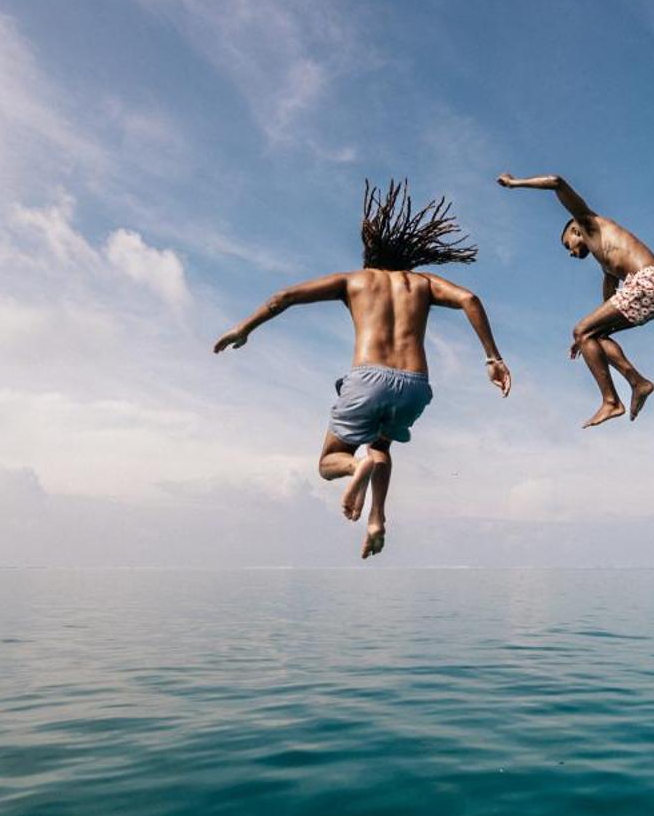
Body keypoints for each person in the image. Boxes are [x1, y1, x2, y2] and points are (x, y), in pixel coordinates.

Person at [214, 180, 511, 558]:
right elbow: (470, 298)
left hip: (369, 378)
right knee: (382, 446)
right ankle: (377, 520)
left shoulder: (355, 280)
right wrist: (492, 357)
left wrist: (245, 328)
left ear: (369, 256)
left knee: (327, 463)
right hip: (416, 386)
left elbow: (283, 297)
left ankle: (355, 469)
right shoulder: (421, 282)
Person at [496, 171, 654, 427]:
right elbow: (609, 302)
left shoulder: (589, 223)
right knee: (593, 335)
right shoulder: (606, 264)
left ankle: (611, 402)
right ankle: (638, 383)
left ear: (575, 230)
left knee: (582, 331)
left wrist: (515, 183)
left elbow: (557, 182)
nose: (569, 252)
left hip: (651, 280)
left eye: (566, 244)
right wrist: (588, 336)